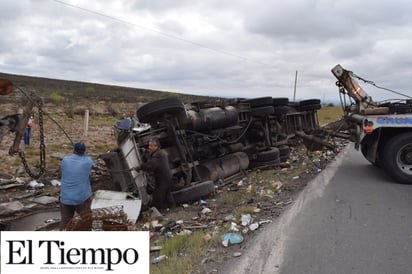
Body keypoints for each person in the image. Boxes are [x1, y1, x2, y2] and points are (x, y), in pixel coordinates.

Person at [59, 142, 94, 230]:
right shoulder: (88, 161)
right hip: (81, 198)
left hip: (65, 197)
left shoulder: (65, 160)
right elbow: (87, 158)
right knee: (86, 220)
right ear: (84, 151)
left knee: (65, 222)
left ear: (74, 150)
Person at [135, 137, 174, 209]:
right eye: (149, 145)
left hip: (163, 177)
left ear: (156, 146)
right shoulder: (159, 153)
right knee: (167, 192)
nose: (149, 147)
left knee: (158, 194)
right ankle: (170, 205)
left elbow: (151, 165)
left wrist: (140, 167)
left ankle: (160, 208)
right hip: (166, 176)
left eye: (151, 146)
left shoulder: (158, 155)